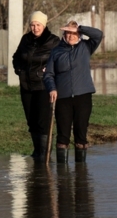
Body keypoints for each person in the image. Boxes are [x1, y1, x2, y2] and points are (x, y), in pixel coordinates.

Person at [43, 20, 103, 163]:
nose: (70, 36)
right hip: (62, 98)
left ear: (79, 34)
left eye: (73, 33)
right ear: (63, 34)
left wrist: (79, 28)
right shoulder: (56, 51)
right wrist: (52, 88)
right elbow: (48, 74)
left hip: (83, 96)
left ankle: (81, 174)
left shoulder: (86, 47)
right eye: (67, 33)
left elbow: (98, 34)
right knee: (63, 135)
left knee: (81, 134)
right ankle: (63, 176)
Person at [12, 11, 60, 161]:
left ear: (44, 25)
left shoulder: (53, 41)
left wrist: (51, 68)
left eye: (38, 24)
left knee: (42, 121)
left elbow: (60, 59)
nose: (35, 28)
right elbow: (16, 57)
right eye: (33, 25)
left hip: (43, 86)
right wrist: (19, 70)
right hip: (26, 85)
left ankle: (45, 154)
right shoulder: (25, 39)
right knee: (31, 119)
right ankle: (37, 151)